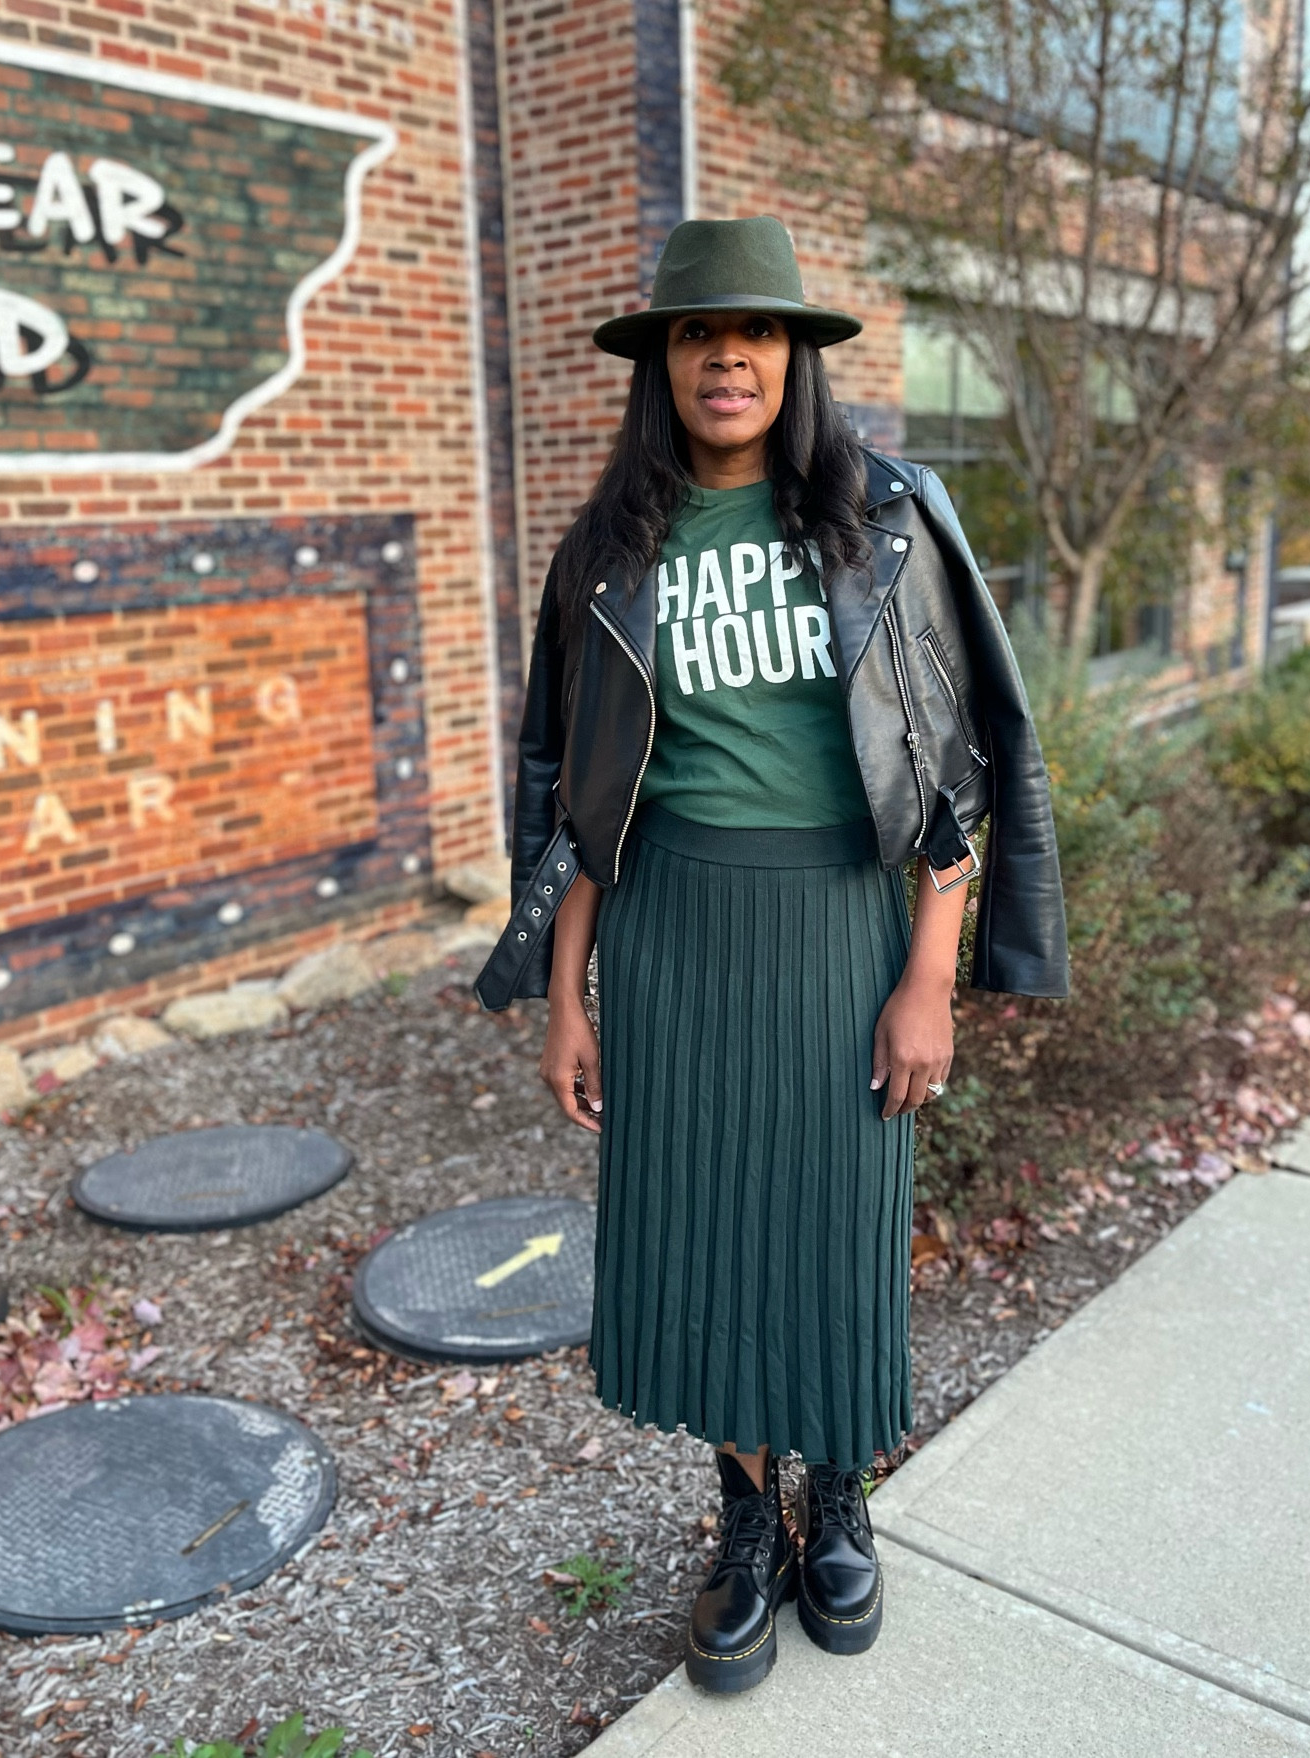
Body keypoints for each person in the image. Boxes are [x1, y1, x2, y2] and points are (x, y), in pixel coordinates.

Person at [476, 215, 1067, 1693]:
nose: (724, 355)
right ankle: (747, 1520)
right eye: (694, 332)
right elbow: (575, 796)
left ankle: (839, 1497)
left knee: (833, 1226)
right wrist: (568, 993)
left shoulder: (885, 519)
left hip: (841, 929)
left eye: (754, 332)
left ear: (796, 356)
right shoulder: (608, 553)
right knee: (706, 1235)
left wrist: (930, 971)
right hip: (677, 931)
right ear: (662, 363)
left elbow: (950, 771)